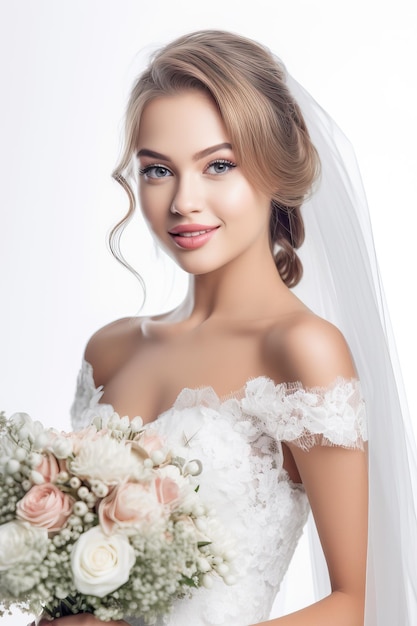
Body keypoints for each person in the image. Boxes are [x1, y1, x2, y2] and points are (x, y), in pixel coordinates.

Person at [40, 30, 417, 626]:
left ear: (276, 171)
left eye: (219, 165)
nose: (184, 201)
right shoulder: (108, 351)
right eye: (158, 170)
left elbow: (355, 604)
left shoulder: (301, 350)